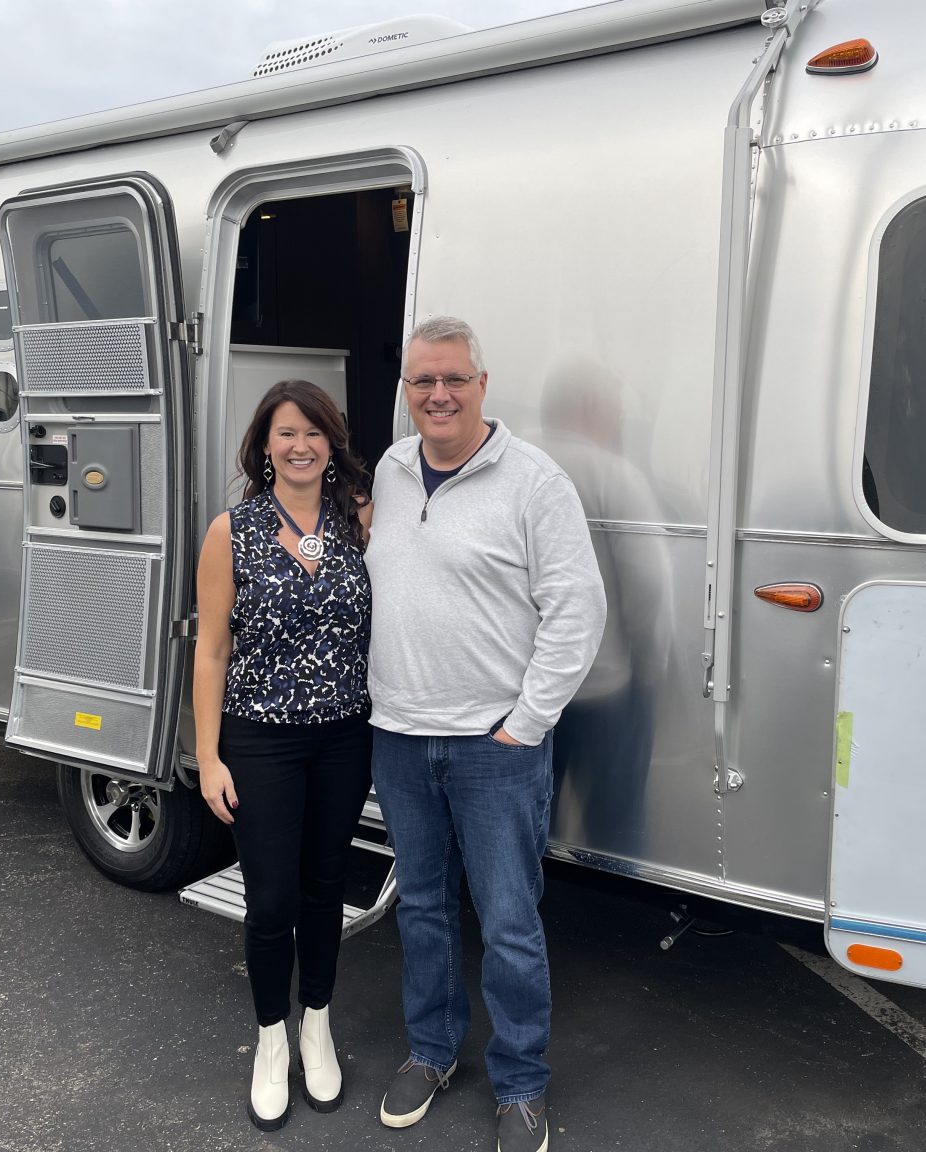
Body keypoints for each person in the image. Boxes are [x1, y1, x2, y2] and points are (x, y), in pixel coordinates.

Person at [365, 316, 607, 1152]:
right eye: (422, 380)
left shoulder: (533, 482)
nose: (438, 394)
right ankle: (431, 1051)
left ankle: (522, 1084)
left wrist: (526, 723)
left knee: (508, 922)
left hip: (492, 748)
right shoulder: (392, 470)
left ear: (481, 385)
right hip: (400, 736)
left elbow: (576, 611)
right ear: (407, 388)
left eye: (453, 379)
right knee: (422, 909)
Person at [192, 379, 374, 1132]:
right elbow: (211, 649)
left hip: (343, 738)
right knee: (270, 901)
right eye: (286, 433)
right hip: (260, 739)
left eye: (314, 432)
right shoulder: (231, 530)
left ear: (332, 443)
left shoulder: (359, 519)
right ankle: (272, 1041)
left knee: (325, 889)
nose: (301, 446)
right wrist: (207, 756)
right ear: (264, 446)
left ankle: (316, 1026)